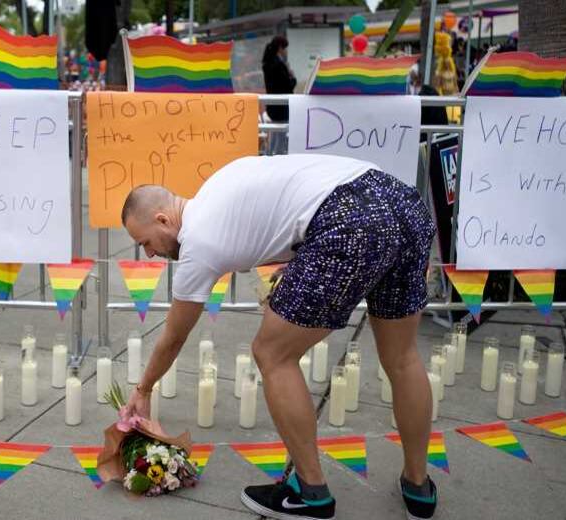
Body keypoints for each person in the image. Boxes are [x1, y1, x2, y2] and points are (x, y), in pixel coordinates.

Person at [121, 154, 438, 520]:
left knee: (272, 354)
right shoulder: (216, 186)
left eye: (146, 241)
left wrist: (143, 389)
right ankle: (419, 486)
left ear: (163, 219)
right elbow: (289, 204)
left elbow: (174, 337)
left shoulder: (198, 243)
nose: (150, 253)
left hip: (349, 218)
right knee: (402, 358)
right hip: (401, 202)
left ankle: (312, 494)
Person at [262, 36, 296, 155]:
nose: (286, 51)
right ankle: (277, 157)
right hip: (281, 107)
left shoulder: (267, 63)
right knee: (280, 135)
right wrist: (292, 77)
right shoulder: (279, 65)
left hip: (272, 106)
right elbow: (287, 86)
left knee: (275, 134)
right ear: (280, 48)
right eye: (285, 48)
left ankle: (269, 155)